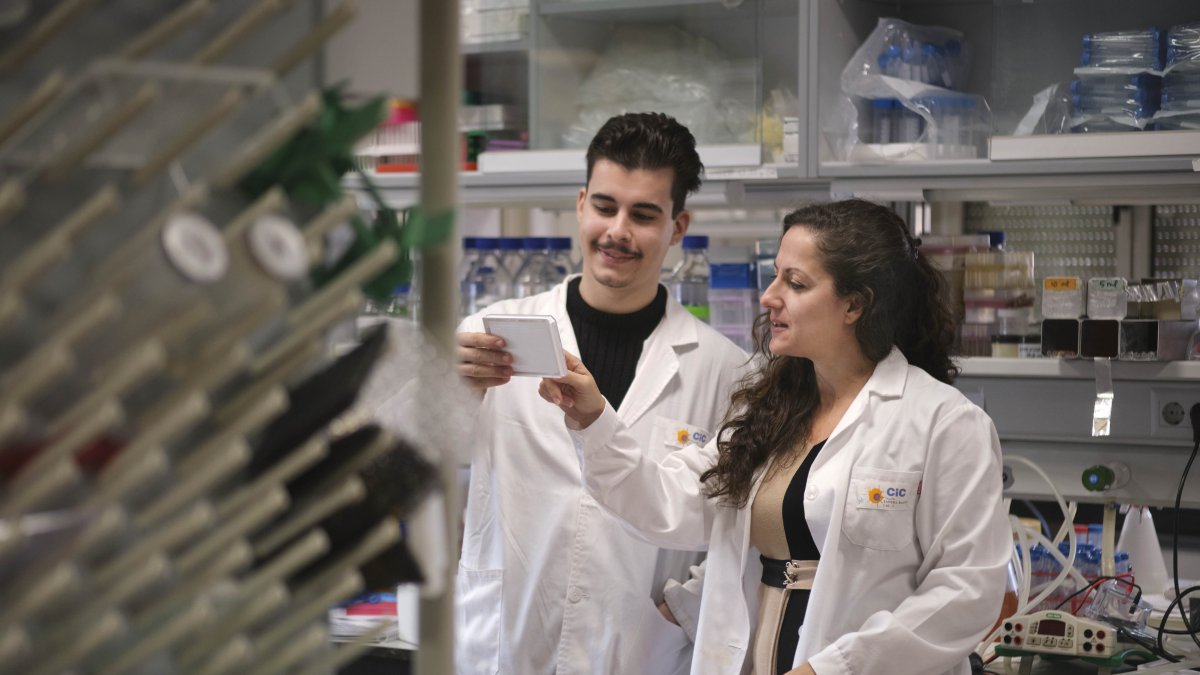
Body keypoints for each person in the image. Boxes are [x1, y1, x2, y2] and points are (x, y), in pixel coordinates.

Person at [540, 198, 1011, 675]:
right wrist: (592, 417)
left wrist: (832, 670)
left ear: (855, 304)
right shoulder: (767, 412)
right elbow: (665, 504)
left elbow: (966, 591)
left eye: (796, 283)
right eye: (775, 276)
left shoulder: (943, 422)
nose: (769, 297)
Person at [454, 112, 750, 675]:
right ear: (581, 204)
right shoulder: (491, 335)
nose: (618, 231)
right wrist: (450, 393)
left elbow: (738, 529)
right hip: (509, 644)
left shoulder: (724, 370)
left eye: (643, 215)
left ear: (677, 227)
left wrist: (679, 610)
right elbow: (420, 463)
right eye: (605, 207)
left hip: (639, 651)